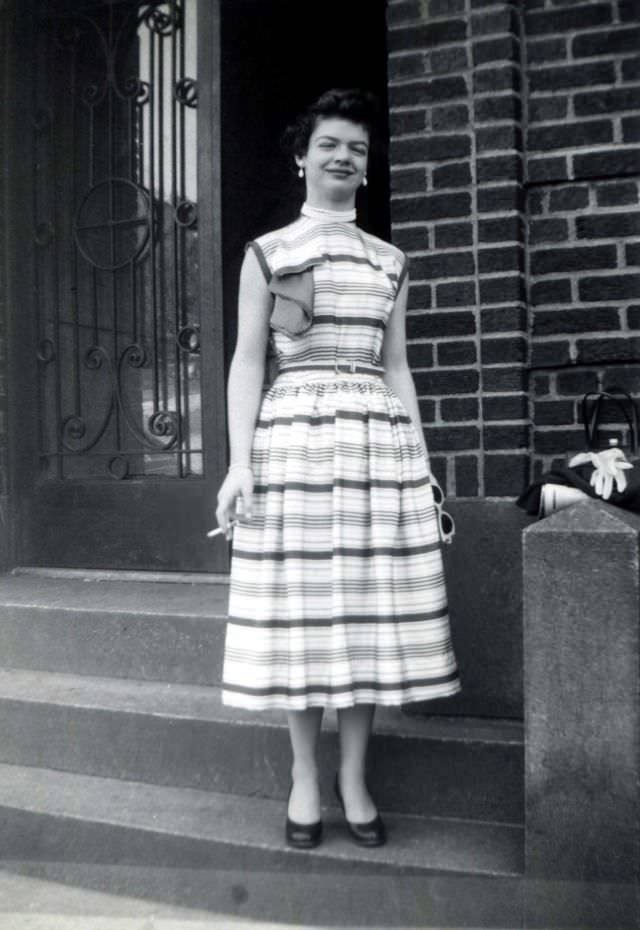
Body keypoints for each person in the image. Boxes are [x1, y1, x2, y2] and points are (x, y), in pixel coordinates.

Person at [215, 88, 460, 850]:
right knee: (302, 613)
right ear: (302, 156)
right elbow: (247, 362)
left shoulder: (392, 263)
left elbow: (399, 368)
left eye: (356, 147)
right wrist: (237, 465)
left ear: (367, 166)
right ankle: (303, 776)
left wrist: (419, 463)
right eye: (329, 144)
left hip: (374, 447)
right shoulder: (270, 252)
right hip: (292, 442)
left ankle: (354, 775)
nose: (343, 157)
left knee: (362, 612)